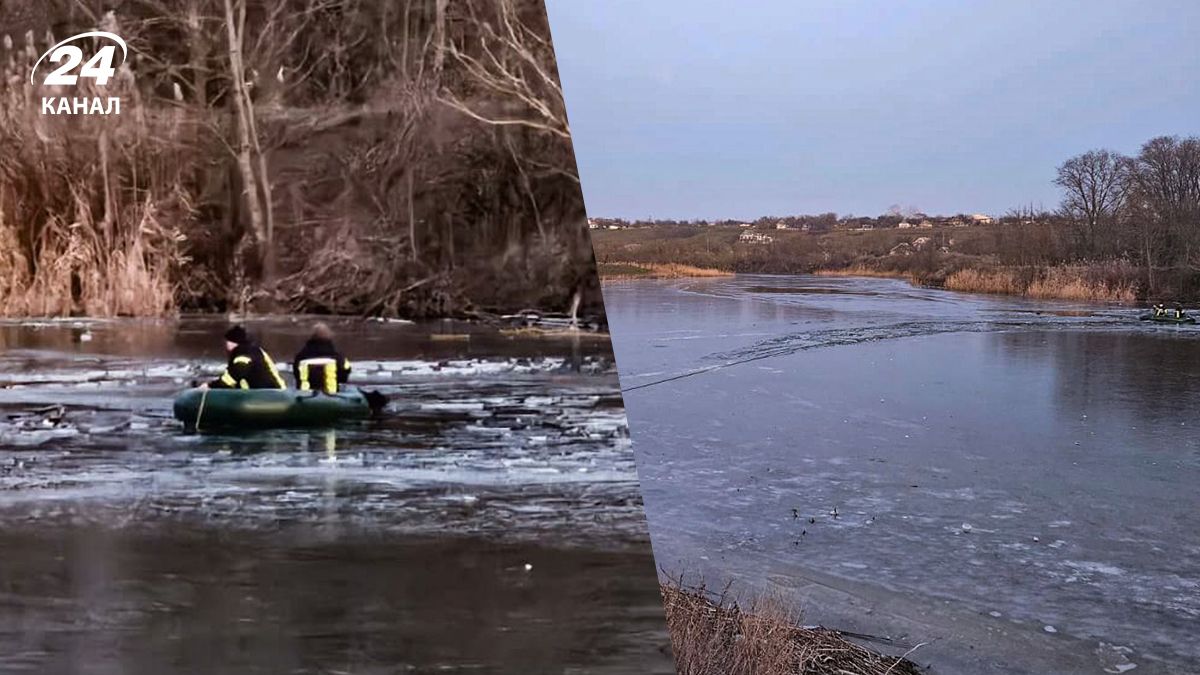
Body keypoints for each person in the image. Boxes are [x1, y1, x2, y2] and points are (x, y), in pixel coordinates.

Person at [199, 325, 286, 390]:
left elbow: (232, 378)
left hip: (267, 395)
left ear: (231, 342)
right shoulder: (256, 350)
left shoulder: (242, 355)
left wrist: (210, 386)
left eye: (227, 341)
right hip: (277, 391)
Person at [292, 322, 351, 394]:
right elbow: (345, 372)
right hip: (331, 395)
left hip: (304, 396)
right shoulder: (338, 356)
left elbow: (296, 374)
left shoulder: (300, 356)